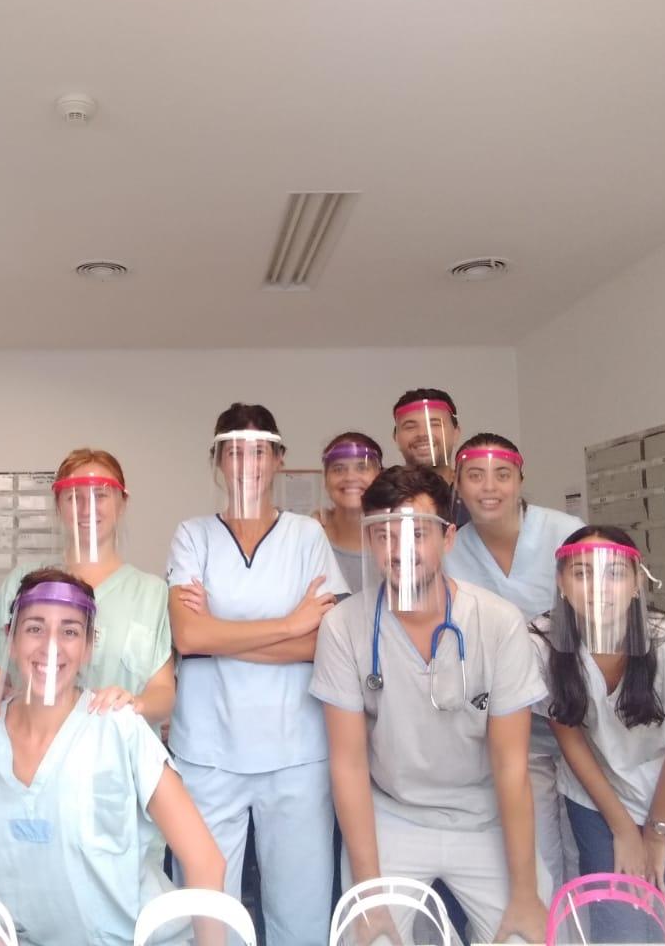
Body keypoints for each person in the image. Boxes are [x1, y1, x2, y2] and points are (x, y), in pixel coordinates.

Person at [0, 568, 225, 946]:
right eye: (35, 628)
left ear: (88, 647)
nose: (51, 646)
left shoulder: (119, 729)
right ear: (10, 639)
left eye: (69, 631)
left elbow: (205, 862)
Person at [310, 465, 550, 945]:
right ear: (370, 541)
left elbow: (511, 766)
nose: (400, 549)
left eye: (417, 533)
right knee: (371, 939)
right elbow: (349, 765)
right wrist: (370, 894)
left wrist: (525, 893)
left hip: (484, 815)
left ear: (449, 538)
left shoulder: (498, 624)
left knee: (532, 936)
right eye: (384, 535)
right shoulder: (344, 626)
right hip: (392, 815)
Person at [168, 402, 348, 946]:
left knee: (302, 912)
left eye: (259, 452)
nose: (247, 464)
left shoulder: (306, 536)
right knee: (205, 911)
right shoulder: (193, 535)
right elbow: (188, 637)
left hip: (296, 751)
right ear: (217, 461)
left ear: (278, 460)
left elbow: (324, 646)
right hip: (208, 751)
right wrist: (289, 624)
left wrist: (220, 636)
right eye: (234, 452)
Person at [531, 526, 665, 943]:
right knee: (618, 927)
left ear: (638, 583)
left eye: (614, 574)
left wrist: (655, 834)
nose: (598, 587)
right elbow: (568, 735)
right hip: (600, 793)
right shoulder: (542, 642)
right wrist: (623, 829)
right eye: (582, 573)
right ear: (561, 583)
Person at [444, 432, 583, 888]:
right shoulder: (451, 548)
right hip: (513, 728)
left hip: (581, 716)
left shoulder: (566, 534)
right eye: (475, 476)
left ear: (521, 479)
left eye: (502, 475)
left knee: (588, 848)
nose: (489, 487)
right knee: (539, 853)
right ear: (457, 484)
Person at [0, 448, 174, 729]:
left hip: (119, 748)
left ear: (122, 503)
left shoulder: (151, 593)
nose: (87, 509)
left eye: (100, 495)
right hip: (33, 745)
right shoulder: (22, 582)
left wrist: (132, 705)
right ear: (58, 505)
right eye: (74, 497)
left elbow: (163, 692)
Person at [312, 432, 383, 594]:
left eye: (362, 467)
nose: (350, 477)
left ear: (379, 476)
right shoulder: (310, 537)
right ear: (325, 479)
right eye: (338, 469)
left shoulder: (398, 539)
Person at [391, 388, 470, 528]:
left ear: (456, 433)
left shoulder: (477, 493)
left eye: (434, 424)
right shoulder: (383, 495)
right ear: (396, 437)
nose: (422, 434)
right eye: (410, 426)